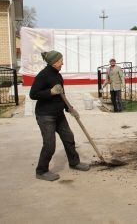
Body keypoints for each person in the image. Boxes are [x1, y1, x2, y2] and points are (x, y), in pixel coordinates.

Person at [30, 50, 90, 181]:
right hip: (45, 115)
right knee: (50, 145)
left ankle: (74, 163)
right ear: (54, 62)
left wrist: (69, 109)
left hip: (59, 114)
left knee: (69, 138)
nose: (62, 63)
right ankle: (41, 171)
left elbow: (62, 96)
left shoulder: (57, 75)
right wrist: (50, 92)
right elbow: (33, 94)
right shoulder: (43, 75)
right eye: (60, 61)